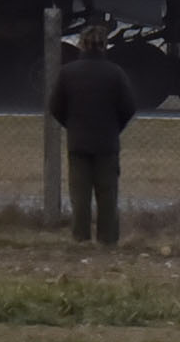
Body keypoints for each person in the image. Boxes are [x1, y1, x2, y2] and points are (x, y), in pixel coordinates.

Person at [48, 23, 137, 245]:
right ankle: (107, 240)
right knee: (107, 195)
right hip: (107, 142)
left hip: (78, 141)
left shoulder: (68, 73)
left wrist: (72, 125)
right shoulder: (115, 73)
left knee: (80, 196)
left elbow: (55, 106)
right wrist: (114, 127)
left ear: (81, 44)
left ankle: (80, 238)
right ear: (104, 45)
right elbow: (128, 106)